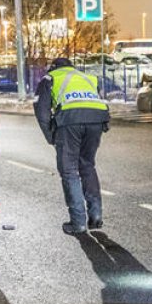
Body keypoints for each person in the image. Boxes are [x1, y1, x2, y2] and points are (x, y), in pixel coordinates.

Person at [34, 57, 111, 235]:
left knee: (69, 171)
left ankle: (78, 222)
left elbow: (42, 111)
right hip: (96, 120)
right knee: (87, 166)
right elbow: (96, 100)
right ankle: (96, 214)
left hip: (70, 122)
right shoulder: (85, 77)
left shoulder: (50, 79)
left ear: (53, 68)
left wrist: (51, 136)